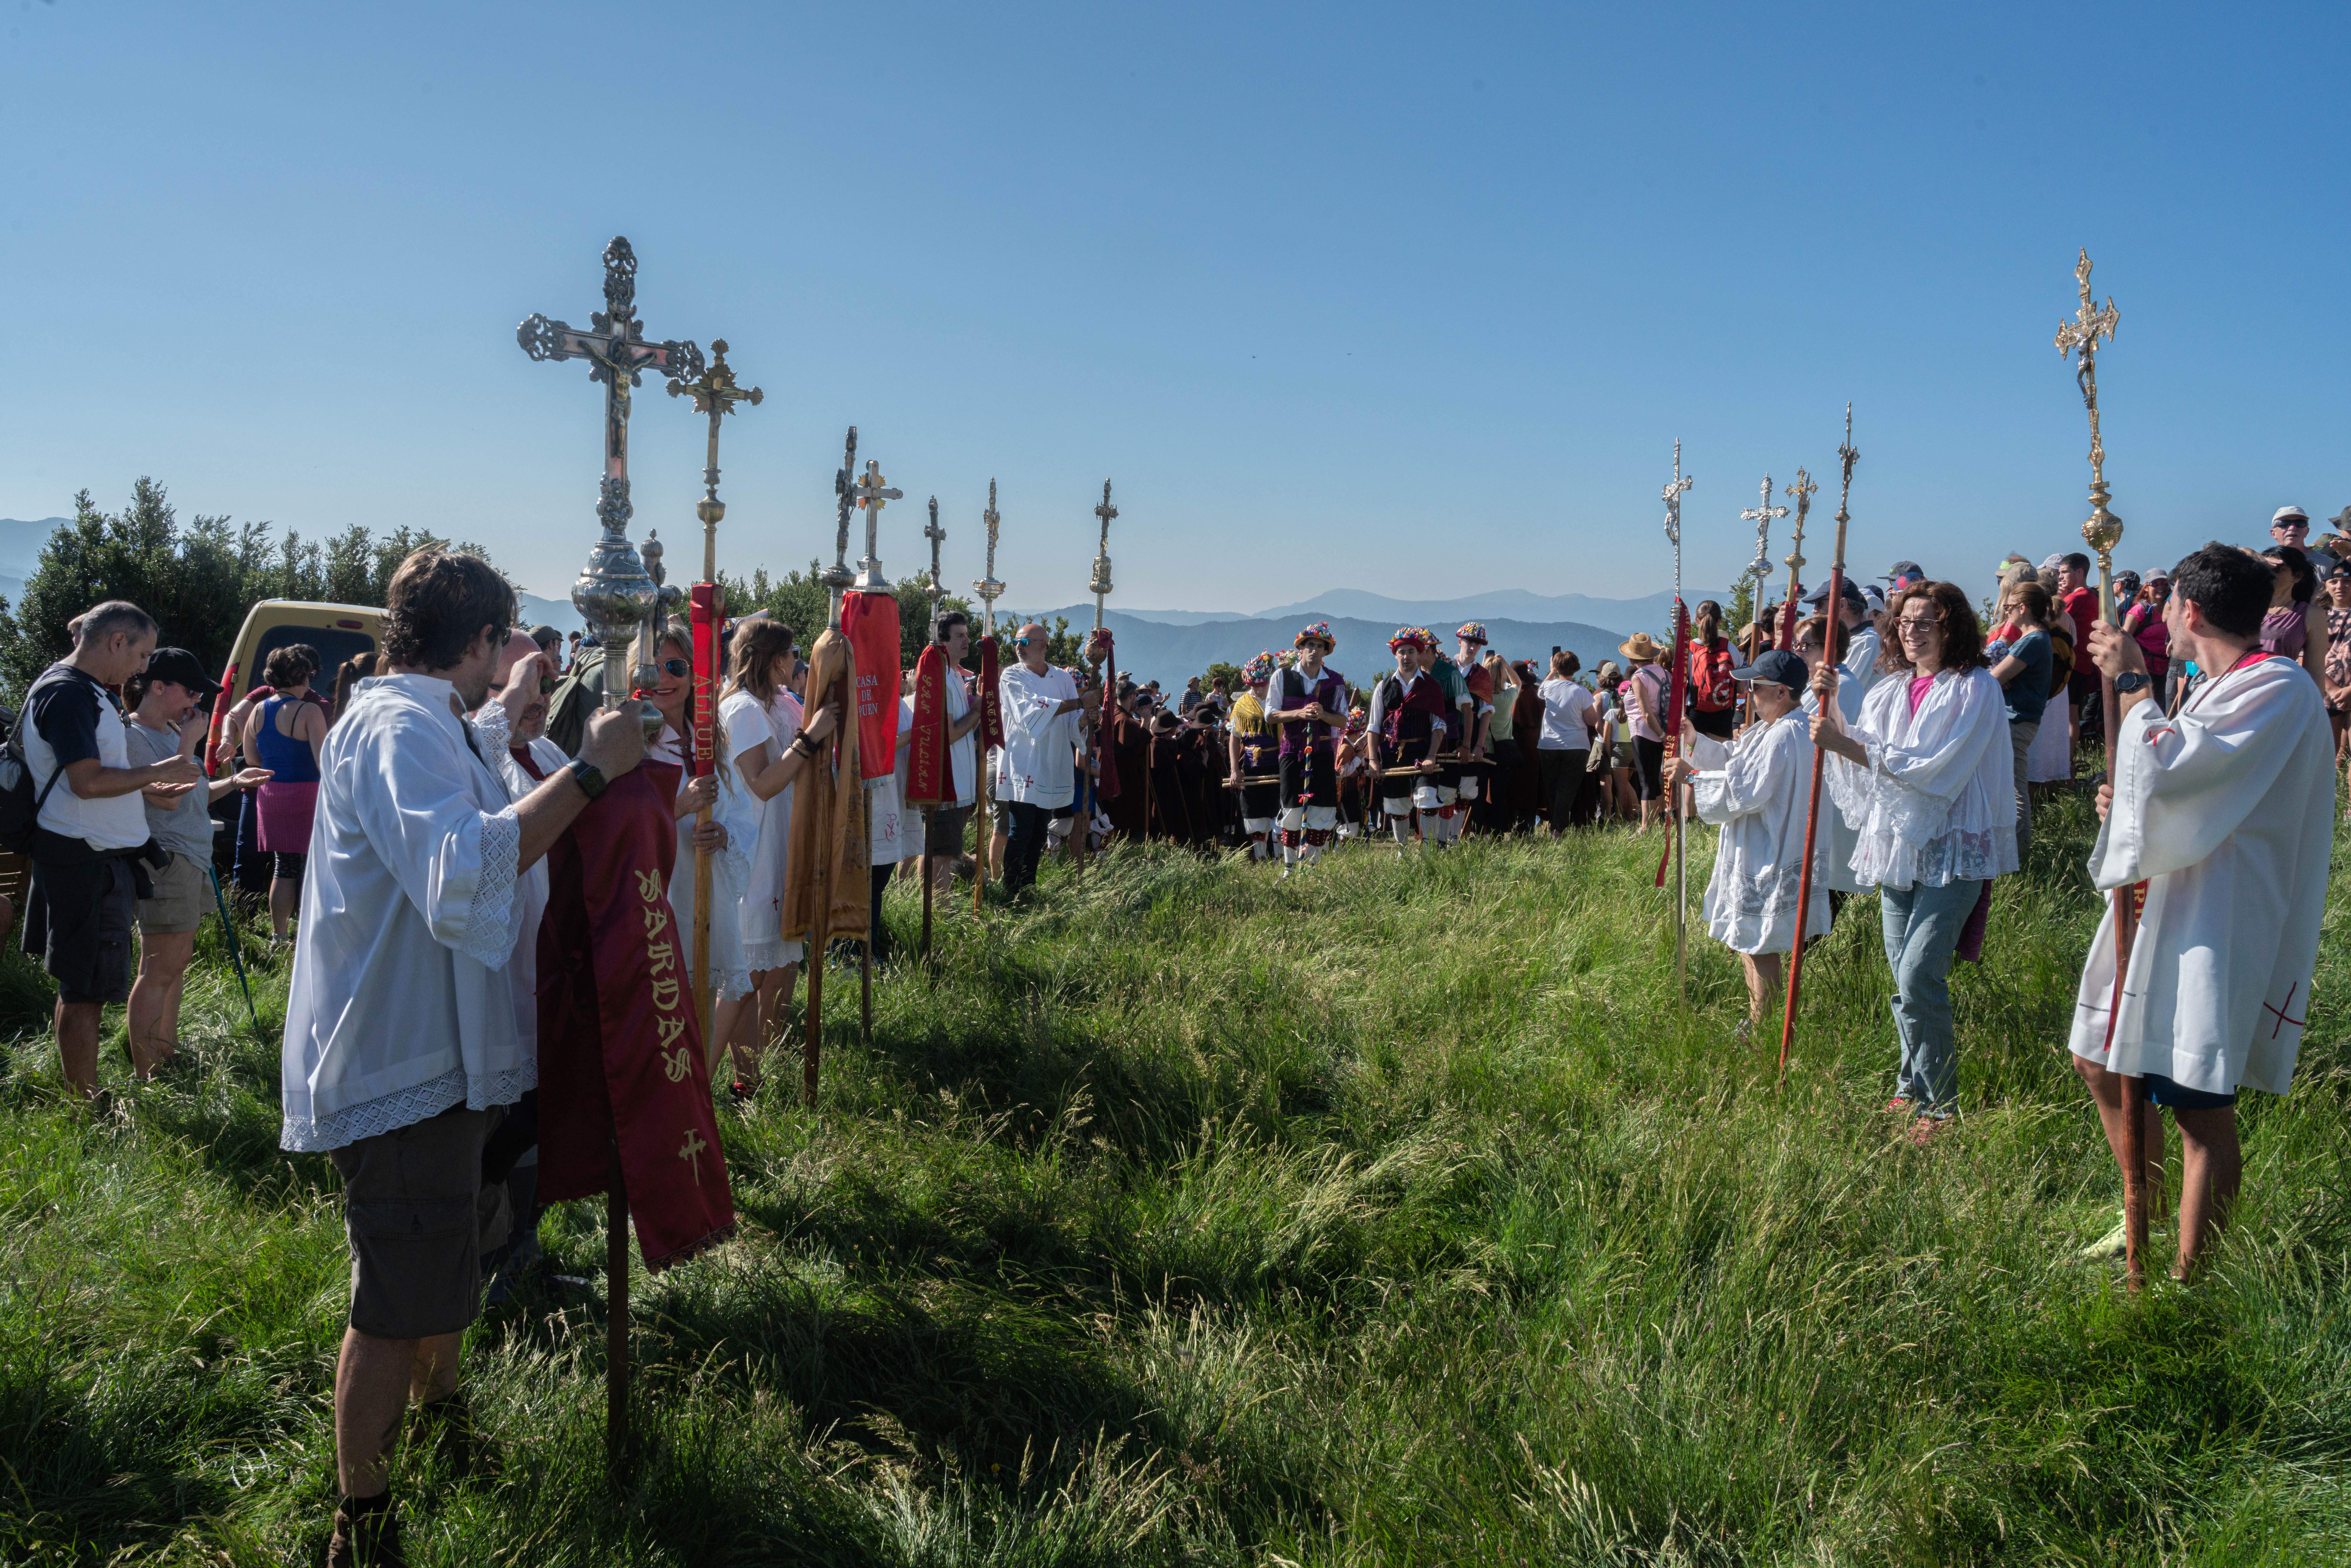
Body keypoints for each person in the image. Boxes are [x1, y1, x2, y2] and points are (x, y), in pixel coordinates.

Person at [277, 549, 647, 1564]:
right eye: (502, 648)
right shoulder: (396, 729)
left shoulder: (429, 718)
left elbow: (469, 763)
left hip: (448, 1061)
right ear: (478, 638)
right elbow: (463, 865)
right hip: (401, 1064)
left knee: (447, 1266)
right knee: (394, 1301)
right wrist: (589, 770)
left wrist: (513, 709)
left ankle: (441, 1416)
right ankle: (362, 1519)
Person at [2070, 543, 2335, 1277]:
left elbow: (2180, 769)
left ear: (2189, 610)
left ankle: (2192, 1280)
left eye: (2166, 606)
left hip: (2218, 913)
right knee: (2098, 1059)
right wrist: (2123, 798)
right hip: (2168, 897)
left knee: (2196, 1100)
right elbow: (2172, 777)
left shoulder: (2277, 685)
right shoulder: (2215, 686)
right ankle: (2143, 1213)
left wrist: (2132, 678)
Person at [1810, 580, 2018, 1136]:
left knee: (1920, 972)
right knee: (1904, 978)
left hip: (1953, 847)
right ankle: (1911, 1090)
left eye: (1925, 622)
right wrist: (1832, 703)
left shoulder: (1975, 688)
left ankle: (1940, 1107)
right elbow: (1865, 756)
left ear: (1952, 627)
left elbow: (1934, 768)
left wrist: (1844, 744)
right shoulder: (1889, 690)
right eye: (1904, 622)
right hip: (1898, 846)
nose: (1911, 631)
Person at [19, 603, 204, 1103]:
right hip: (84, 860)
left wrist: (145, 784)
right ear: (117, 641)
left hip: (92, 857)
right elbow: (86, 781)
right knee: (83, 992)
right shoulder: (68, 694)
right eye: (142, 654)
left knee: (87, 988)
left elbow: (90, 775)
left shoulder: (83, 689)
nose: (143, 668)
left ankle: (83, 1093)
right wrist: (157, 771)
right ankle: (84, 1101)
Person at [1665, 650, 1832, 1033]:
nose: (1748, 695)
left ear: (1782, 692)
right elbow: (1736, 761)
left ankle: (1763, 1024)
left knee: (1758, 942)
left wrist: (1692, 778)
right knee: (1747, 938)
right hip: (1765, 842)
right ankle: (1760, 1019)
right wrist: (1696, 740)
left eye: (1755, 687)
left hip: (1768, 848)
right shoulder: (1775, 728)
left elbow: (1747, 789)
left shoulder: (1785, 733)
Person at [124, 649, 271, 1078]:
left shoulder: (170, 732)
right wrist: (189, 743)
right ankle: (148, 1075)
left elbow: (194, 796)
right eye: (191, 692)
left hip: (189, 857)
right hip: (166, 860)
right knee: (159, 968)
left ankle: (166, 1052)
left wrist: (234, 781)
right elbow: (167, 800)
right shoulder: (134, 737)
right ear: (157, 687)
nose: (197, 703)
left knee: (176, 962)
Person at [720, 620, 838, 1095]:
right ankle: (697, 1088)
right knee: (743, 978)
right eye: (791, 654)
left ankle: (748, 1083)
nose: (796, 663)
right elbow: (764, 783)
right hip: (753, 853)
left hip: (778, 846)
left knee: (763, 974)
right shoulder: (742, 709)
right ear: (773, 661)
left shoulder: (778, 702)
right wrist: (810, 739)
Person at [633, 616, 756, 1056]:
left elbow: (742, 813)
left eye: (676, 668)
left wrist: (725, 835)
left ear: (694, 676)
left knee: (703, 1010)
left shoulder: (709, 740)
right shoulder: (629, 742)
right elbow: (616, 828)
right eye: (653, 669)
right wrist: (677, 807)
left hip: (707, 899)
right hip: (655, 905)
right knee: (659, 1023)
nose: (664, 679)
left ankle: (701, 1093)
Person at [995, 622, 1089, 894]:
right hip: (1022, 764)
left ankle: (1028, 888)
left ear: (1044, 645)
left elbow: (1073, 723)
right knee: (1021, 831)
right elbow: (1030, 712)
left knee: (1039, 833)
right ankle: (1011, 890)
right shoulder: (1012, 676)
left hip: (1052, 763)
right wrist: (1080, 704)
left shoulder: (1063, 679)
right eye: (1016, 642)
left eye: (1025, 642)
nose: (1018, 648)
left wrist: (1086, 717)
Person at [243, 645, 328, 945]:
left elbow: (251, 759)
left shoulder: (258, 710)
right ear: (300, 676)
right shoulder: (309, 711)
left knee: (285, 866)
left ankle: (278, 937)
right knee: (313, 867)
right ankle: (311, 939)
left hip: (271, 795)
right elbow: (324, 762)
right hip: (307, 794)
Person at [1263, 623, 1348, 872]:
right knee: (1291, 809)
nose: (1314, 650)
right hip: (1292, 751)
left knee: (1322, 811)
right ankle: (1290, 869)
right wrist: (1299, 713)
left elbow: (1343, 721)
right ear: (1301, 648)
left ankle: (1312, 868)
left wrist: (1324, 715)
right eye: (1310, 645)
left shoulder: (1335, 681)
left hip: (1323, 752)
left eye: (1320, 647)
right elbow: (1270, 715)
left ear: (1326, 652)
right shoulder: (1282, 676)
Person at [1986, 577, 2056, 866]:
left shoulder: (2032, 641)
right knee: (2010, 788)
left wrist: (1998, 679)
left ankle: (2018, 857)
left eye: (2009, 606)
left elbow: (1993, 678)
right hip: (2019, 720)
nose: (2006, 611)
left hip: (2017, 722)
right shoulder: (2035, 639)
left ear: (2023, 608)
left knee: (2015, 791)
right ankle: (2012, 854)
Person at [1368, 628, 1451, 849]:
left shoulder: (1431, 686)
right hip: (1391, 753)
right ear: (1395, 655)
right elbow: (1374, 727)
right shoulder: (1384, 687)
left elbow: (1439, 725)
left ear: (1419, 654)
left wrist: (1432, 756)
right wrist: (1373, 760)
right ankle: (1402, 851)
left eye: (1411, 652)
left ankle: (1429, 850)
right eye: (1402, 652)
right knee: (1397, 804)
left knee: (1428, 797)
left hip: (1422, 752)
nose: (1406, 657)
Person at [922, 611, 986, 888]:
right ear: (943, 641)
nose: (968, 641)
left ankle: (934, 905)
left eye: (967, 635)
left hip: (957, 781)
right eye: (960, 636)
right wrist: (978, 710)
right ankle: (939, 909)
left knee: (944, 852)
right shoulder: (943, 679)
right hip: (945, 781)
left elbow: (963, 731)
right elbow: (947, 735)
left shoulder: (955, 677)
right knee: (941, 854)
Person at [1533, 650, 1594, 834]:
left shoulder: (1548, 687)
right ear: (1576, 668)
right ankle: (1558, 829)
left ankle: (1556, 826)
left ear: (1557, 667)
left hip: (1549, 745)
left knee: (1552, 788)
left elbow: (1540, 692)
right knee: (1567, 788)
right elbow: (1592, 720)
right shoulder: (1582, 692)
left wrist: (1552, 672)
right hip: (1576, 745)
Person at [1616, 632, 1671, 833]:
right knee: (1655, 779)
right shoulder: (1666, 674)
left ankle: (1645, 827)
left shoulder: (1639, 677)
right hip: (1662, 728)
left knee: (1646, 782)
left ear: (1632, 658)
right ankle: (1658, 821)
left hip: (1644, 732)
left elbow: (1646, 713)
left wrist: (1661, 736)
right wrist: (1664, 735)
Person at [1227, 653, 1279, 861]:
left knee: (1279, 813)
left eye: (1263, 685)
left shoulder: (1279, 700)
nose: (1259, 690)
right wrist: (1235, 770)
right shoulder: (1242, 705)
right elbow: (1234, 739)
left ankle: (1280, 858)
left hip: (1277, 764)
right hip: (1251, 766)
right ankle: (1261, 858)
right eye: (1254, 685)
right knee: (1255, 814)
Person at [2258, 545, 2326, 685]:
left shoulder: (2312, 615)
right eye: (2265, 568)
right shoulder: (2245, 606)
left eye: (2277, 570)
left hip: (2281, 692)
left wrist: (2316, 699)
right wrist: (2249, 555)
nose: (2269, 574)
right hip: (2236, 691)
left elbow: (2315, 672)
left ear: (2298, 576)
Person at [1805, 578, 1881, 702]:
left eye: (1820, 604)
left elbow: (1840, 688)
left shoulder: (1867, 642)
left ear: (1841, 605)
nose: (1815, 611)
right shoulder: (1857, 640)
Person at [1479, 650, 1523, 833]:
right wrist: (1505, 664)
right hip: (1504, 753)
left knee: (1480, 794)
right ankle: (1498, 832)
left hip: (1483, 751)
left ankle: (1480, 830)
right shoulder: (1507, 697)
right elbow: (1518, 683)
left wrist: (1483, 666)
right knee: (1499, 795)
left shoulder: (1481, 698)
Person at [1685, 601, 1738, 742]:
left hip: (1696, 711)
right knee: (1719, 754)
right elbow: (1742, 687)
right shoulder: (1730, 648)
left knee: (1693, 754)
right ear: (1720, 621)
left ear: (1696, 620)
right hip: (1723, 713)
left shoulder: (1689, 650)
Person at [2321, 562, 2351, 762]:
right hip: (2327, 694)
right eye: (2334, 582)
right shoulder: (2317, 615)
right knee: (2328, 758)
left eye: (2348, 581)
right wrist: (2333, 690)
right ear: (2326, 586)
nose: (2340, 586)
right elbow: (2306, 657)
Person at [2271, 504, 2335, 578]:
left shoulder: (2327, 564)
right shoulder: (2265, 564)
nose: (2292, 528)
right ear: (2274, 534)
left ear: (2307, 532)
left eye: (2300, 524)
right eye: (2284, 524)